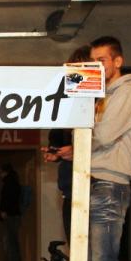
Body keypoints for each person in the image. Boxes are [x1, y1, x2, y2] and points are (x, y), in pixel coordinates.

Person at [85, 35, 131, 261]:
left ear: (118, 61)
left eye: (102, 60)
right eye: (92, 61)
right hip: (95, 182)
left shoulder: (128, 93)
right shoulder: (103, 96)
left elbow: (104, 135)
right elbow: (99, 137)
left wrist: (80, 141)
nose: (96, 66)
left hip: (110, 185)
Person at [44, 44, 90, 238]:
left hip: (95, 190)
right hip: (71, 189)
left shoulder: (102, 105)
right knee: (76, 245)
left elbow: (107, 142)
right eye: (72, 71)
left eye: (80, 69)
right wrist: (57, 152)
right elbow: (58, 136)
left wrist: (78, 151)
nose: (75, 77)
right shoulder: (69, 105)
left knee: (97, 252)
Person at [0, 163, 23, 261]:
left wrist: (4, 210)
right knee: (13, 242)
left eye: (0, 172)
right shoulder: (14, 181)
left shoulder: (8, 183)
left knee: (10, 242)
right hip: (15, 214)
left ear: (4, 171)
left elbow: (7, 199)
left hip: (10, 215)